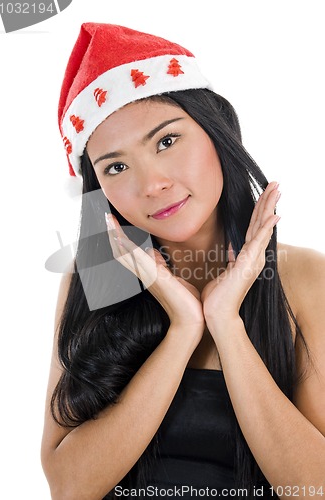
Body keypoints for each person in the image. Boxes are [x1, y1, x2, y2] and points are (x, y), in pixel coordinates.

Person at [41, 23, 325, 500]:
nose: (151, 184)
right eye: (116, 166)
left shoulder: (303, 278)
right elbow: (70, 489)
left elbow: (315, 488)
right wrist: (183, 328)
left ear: (216, 132)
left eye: (166, 141)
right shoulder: (95, 278)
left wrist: (225, 322)